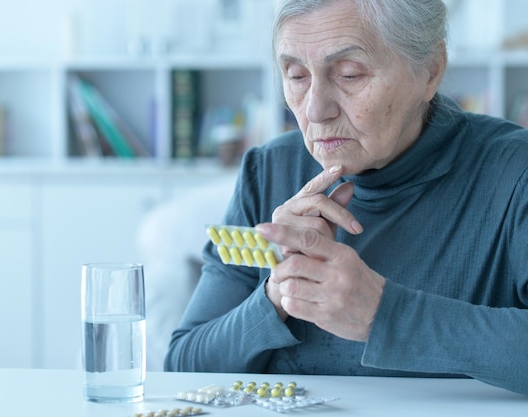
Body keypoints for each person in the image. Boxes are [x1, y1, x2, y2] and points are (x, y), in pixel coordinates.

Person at [164, 0, 528, 396]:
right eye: (297, 76)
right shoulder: (268, 170)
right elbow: (184, 365)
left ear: (430, 69)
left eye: (350, 74)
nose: (316, 110)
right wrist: (278, 293)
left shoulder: (514, 174)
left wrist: (385, 314)